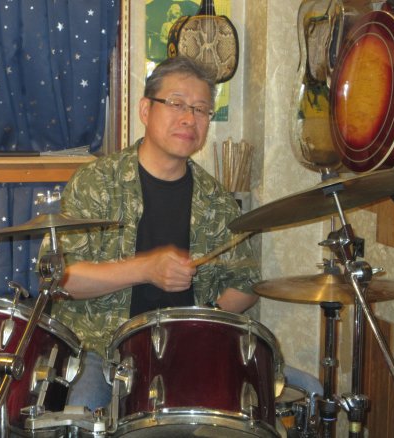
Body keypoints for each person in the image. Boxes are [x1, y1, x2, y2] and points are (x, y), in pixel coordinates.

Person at [48, 56, 321, 411]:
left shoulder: (216, 201)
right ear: (145, 109)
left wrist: (203, 324)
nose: (189, 118)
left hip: (189, 352)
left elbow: (245, 282)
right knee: (80, 413)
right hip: (101, 352)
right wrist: (146, 268)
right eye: (176, 104)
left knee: (309, 390)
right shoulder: (96, 183)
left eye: (201, 109)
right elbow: (62, 278)